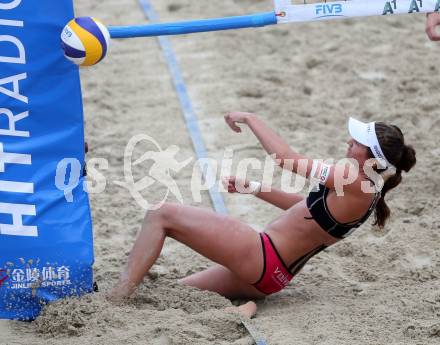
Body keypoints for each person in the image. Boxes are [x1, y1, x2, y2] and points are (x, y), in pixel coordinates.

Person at [110, 112, 416, 315]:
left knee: (161, 213)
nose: (349, 142)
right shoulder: (369, 191)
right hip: (271, 276)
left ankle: (116, 300)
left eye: (357, 142)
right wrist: (255, 187)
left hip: (262, 256)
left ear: (371, 157)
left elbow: (284, 158)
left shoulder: (354, 181)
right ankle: (247, 306)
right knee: (175, 294)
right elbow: (307, 211)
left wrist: (251, 118)